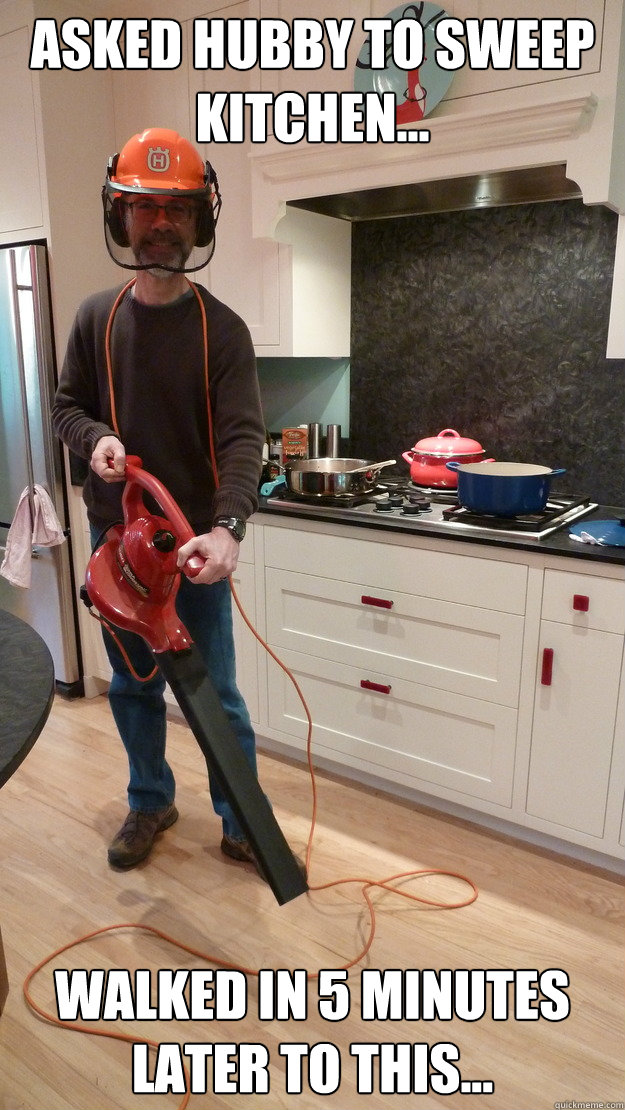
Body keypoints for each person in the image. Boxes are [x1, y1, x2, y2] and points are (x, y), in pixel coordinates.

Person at [52, 128, 268, 872]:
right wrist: (94, 440)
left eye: (173, 209)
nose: (159, 224)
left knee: (216, 694)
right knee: (133, 686)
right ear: (121, 217)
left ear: (198, 219)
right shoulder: (94, 319)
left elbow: (245, 442)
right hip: (118, 550)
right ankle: (150, 801)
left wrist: (229, 527)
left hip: (193, 553)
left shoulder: (223, 332)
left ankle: (238, 816)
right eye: (143, 208)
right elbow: (64, 408)